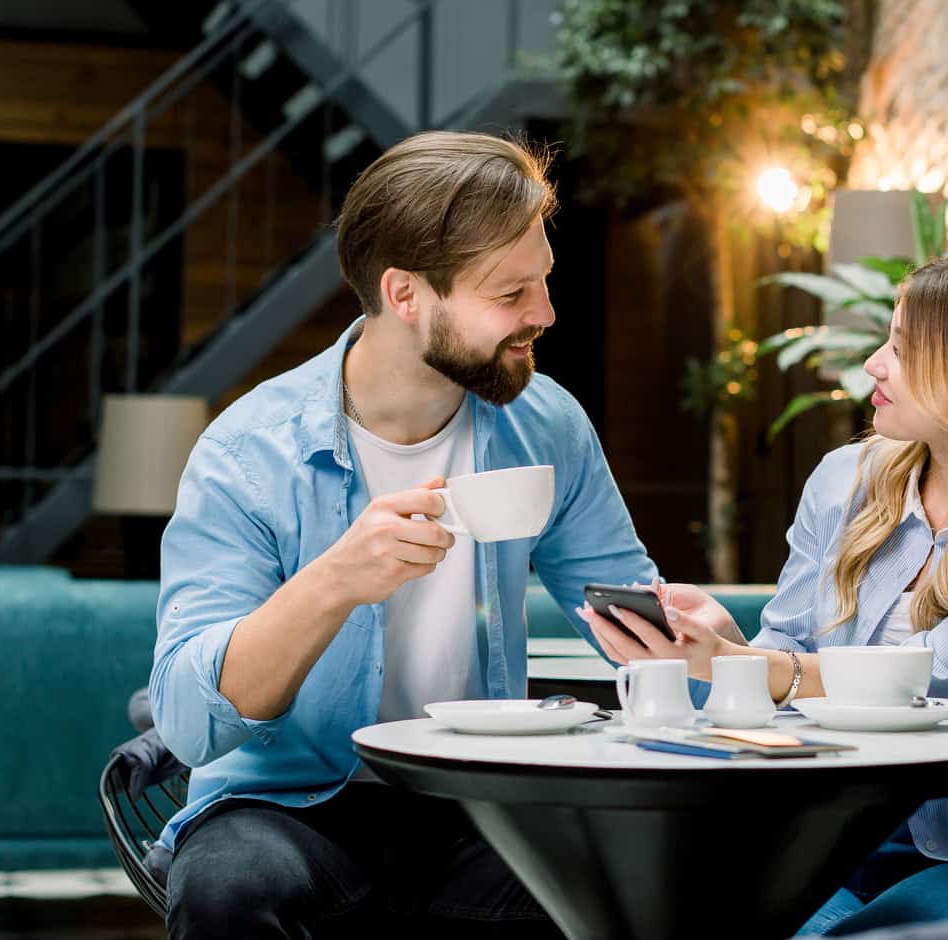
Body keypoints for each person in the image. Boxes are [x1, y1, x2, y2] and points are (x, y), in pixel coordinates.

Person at [150, 131, 658, 938]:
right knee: (230, 891)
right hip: (284, 807)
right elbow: (188, 721)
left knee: (621, 896)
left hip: (476, 803)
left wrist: (722, 661)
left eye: (545, 284)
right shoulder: (248, 453)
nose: (546, 314)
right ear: (405, 293)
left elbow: (634, 615)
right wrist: (334, 579)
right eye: (510, 294)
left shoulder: (547, 425)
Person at [579, 251, 948, 934]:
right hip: (816, 837)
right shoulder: (843, 478)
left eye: (902, 347)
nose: (874, 365)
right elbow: (787, 652)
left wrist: (728, 661)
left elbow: (919, 678)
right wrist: (729, 645)